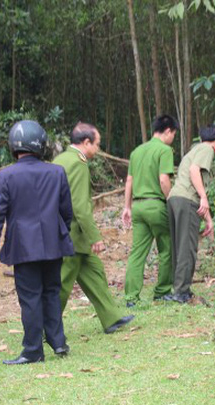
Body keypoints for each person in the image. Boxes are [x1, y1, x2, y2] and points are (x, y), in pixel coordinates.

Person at [0, 120, 74, 365]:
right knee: (51, 292)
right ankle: (58, 342)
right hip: (54, 244)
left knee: (31, 297)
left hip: (23, 246)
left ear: (14, 145)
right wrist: (59, 233)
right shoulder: (56, 172)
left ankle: (33, 350)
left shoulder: (5, 176)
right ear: (41, 144)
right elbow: (67, 211)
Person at [53, 123, 134, 332]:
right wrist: (95, 237)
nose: (98, 149)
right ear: (86, 142)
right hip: (71, 235)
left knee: (94, 272)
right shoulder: (78, 163)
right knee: (62, 284)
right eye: (97, 144)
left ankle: (112, 318)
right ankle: (46, 327)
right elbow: (80, 206)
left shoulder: (60, 159)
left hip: (66, 233)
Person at [121, 115, 178, 307]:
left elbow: (129, 181)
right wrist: (172, 201)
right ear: (168, 131)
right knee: (167, 248)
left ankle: (131, 298)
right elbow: (164, 180)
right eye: (174, 134)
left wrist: (127, 207)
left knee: (137, 252)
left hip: (138, 206)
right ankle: (161, 292)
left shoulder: (137, 151)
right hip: (156, 205)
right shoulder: (164, 150)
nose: (173, 139)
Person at [163, 125, 215, 303]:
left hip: (175, 199)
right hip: (186, 201)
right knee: (187, 248)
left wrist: (208, 219)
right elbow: (194, 171)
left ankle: (178, 288)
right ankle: (181, 292)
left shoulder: (194, 149)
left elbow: (196, 190)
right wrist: (204, 197)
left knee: (178, 247)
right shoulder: (207, 149)